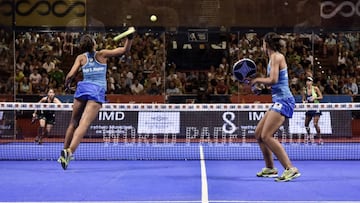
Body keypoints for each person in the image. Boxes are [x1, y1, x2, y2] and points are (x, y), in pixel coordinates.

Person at [58, 31, 133, 170]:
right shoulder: (102, 54)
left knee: (73, 122)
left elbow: (70, 75)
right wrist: (130, 38)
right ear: (93, 44)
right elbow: (124, 50)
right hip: (96, 90)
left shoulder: (81, 58)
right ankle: (69, 152)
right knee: (84, 124)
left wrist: (67, 85)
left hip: (82, 88)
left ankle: (63, 152)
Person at [251, 32, 301, 182]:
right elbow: (276, 83)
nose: (262, 46)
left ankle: (290, 168)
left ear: (267, 44)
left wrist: (256, 80)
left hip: (284, 100)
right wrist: (262, 89)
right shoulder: (272, 58)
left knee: (266, 135)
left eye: (263, 43)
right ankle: (270, 167)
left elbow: (273, 80)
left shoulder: (276, 57)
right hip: (278, 99)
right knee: (259, 134)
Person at [302, 76, 323, 145]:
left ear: (312, 82)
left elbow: (321, 97)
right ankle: (309, 137)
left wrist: (315, 98)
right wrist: (304, 102)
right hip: (309, 109)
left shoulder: (315, 88)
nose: (308, 82)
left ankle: (320, 139)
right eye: (307, 81)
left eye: (309, 81)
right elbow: (303, 99)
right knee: (306, 124)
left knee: (315, 124)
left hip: (316, 108)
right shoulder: (304, 90)